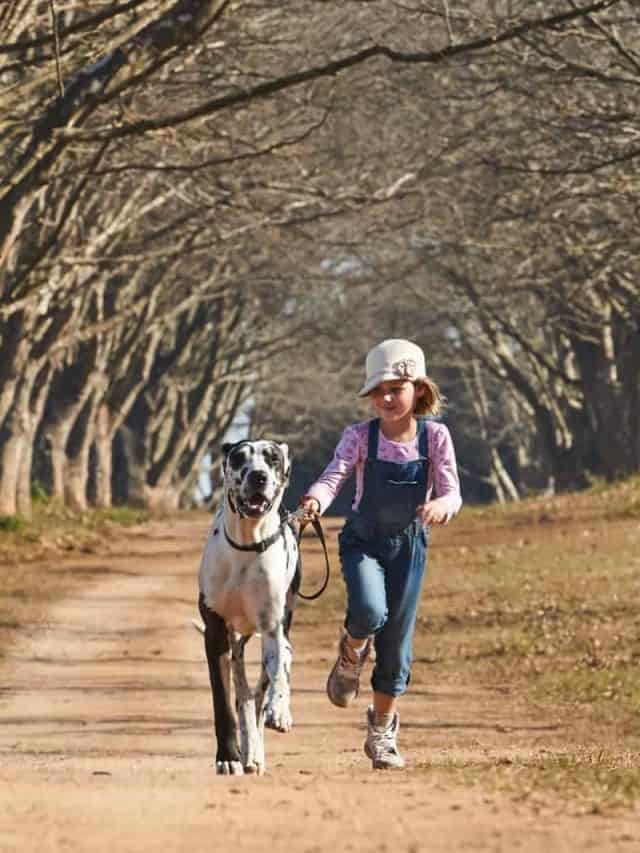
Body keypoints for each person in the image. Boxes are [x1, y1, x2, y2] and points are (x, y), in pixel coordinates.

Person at [298, 338, 462, 770]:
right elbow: (334, 476)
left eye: (396, 388)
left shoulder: (436, 437)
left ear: (419, 391)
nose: (387, 398)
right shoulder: (359, 437)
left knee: (396, 647)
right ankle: (350, 654)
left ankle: (382, 733)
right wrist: (315, 499)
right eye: (378, 391)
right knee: (370, 611)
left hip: (409, 547)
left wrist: (442, 506)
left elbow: (451, 490)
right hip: (364, 541)